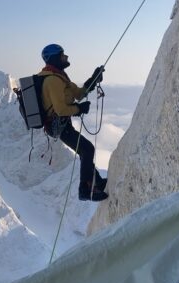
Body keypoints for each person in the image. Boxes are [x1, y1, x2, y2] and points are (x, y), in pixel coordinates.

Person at [38, 44, 109, 202]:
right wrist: (79, 109)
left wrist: (93, 79)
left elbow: (78, 94)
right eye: (62, 55)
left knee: (85, 150)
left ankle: (97, 182)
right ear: (55, 58)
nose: (66, 57)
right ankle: (85, 189)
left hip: (61, 124)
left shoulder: (59, 76)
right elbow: (61, 109)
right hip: (58, 125)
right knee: (86, 149)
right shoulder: (52, 80)